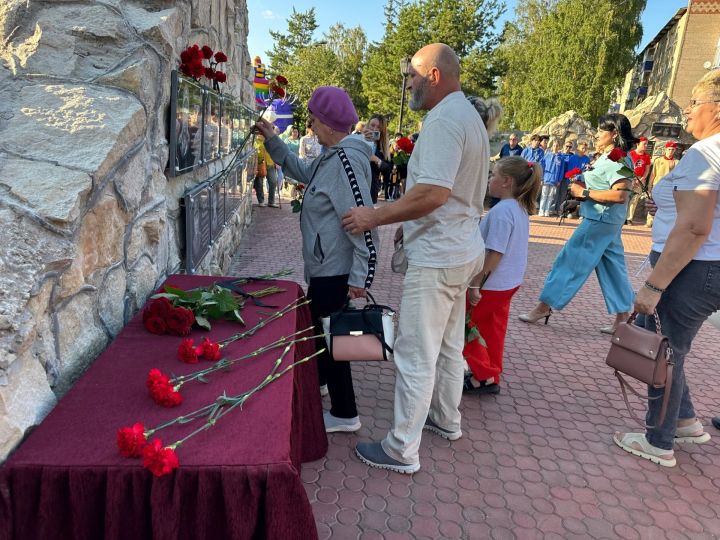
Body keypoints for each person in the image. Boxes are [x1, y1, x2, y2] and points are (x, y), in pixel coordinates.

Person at [342, 43, 493, 474]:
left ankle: (400, 448)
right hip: (461, 249)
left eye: (411, 75)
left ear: (434, 76)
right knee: (446, 344)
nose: (407, 83)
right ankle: (446, 419)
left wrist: (375, 216)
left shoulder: (445, 119)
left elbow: (433, 193)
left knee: (415, 351)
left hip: (440, 254)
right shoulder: (467, 116)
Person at [255, 86, 380, 433]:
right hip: (326, 266)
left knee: (334, 338)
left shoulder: (345, 159)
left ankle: (345, 413)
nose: (309, 123)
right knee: (322, 333)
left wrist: (361, 278)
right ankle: (321, 385)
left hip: (336, 270)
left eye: (312, 117)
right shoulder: (332, 156)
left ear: (327, 121)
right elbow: (302, 170)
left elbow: (364, 221)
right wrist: (272, 139)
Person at [614, 69, 720, 468]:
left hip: (691, 267)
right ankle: (685, 421)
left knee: (665, 353)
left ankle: (658, 440)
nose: (688, 111)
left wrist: (654, 287)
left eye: (695, 103)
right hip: (705, 265)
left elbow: (695, 226)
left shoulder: (705, 153)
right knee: (672, 346)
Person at [519, 113, 638, 333]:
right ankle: (623, 318)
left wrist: (584, 192)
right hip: (604, 220)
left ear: (614, 134)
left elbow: (621, 195)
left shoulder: (618, 158)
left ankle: (544, 306)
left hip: (599, 220)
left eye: (602, 130)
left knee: (568, 262)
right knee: (612, 268)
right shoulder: (614, 156)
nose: (597, 134)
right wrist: (581, 198)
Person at [463, 156, 541, 395]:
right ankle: (490, 373)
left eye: (493, 174)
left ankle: (483, 373)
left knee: (462, 325)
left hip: (491, 284)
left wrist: (476, 284)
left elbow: (495, 252)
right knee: (492, 328)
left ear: (506, 181)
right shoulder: (518, 208)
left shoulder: (501, 211)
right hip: (508, 282)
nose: (489, 179)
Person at [645, 141, 679, 227]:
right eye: (669, 149)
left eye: (672, 149)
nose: (670, 151)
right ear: (665, 149)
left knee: (664, 205)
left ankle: (660, 222)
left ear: (675, 150)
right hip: (657, 185)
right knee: (652, 203)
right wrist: (649, 186)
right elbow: (653, 174)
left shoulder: (676, 162)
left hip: (668, 187)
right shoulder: (658, 160)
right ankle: (650, 221)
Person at [363, 114, 393, 203]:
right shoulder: (358, 138)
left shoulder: (383, 148)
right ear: (368, 124)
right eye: (372, 125)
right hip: (354, 184)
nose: (374, 129)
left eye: (379, 127)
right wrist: (362, 139)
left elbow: (388, 171)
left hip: (371, 188)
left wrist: (377, 160)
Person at [626, 136, 652, 224]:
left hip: (640, 180)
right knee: (625, 198)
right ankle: (622, 218)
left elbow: (647, 170)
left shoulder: (647, 156)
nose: (646, 146)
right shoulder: (631, 154)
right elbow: (627, 167)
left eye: (647, 144)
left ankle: (629, 218)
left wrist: (641, 179)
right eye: (644, 144)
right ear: (638, 144)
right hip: (630, 178)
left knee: (635, 199)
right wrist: (632, 179)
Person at [538, 140, 564, 217]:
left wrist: (559, 180)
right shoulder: (547, 155)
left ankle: (547, 211)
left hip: (554, 180)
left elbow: (561, 170)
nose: (555, 147)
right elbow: (542, 166)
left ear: (559, 147)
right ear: (552, 146)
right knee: (544, 195)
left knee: (550, 196)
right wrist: (541, 178)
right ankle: (541, 210)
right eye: (554, 145)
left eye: (557, 146)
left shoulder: (560, 158)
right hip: (546, 179)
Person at [253, 135, 278, 208]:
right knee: (259, 183)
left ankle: (271, 201)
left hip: (270, 163)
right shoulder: (255, 140)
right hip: (260, 164)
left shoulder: (270, 139)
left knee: (273, 182)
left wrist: (276, 161)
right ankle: (261, 201)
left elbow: (275, 151)